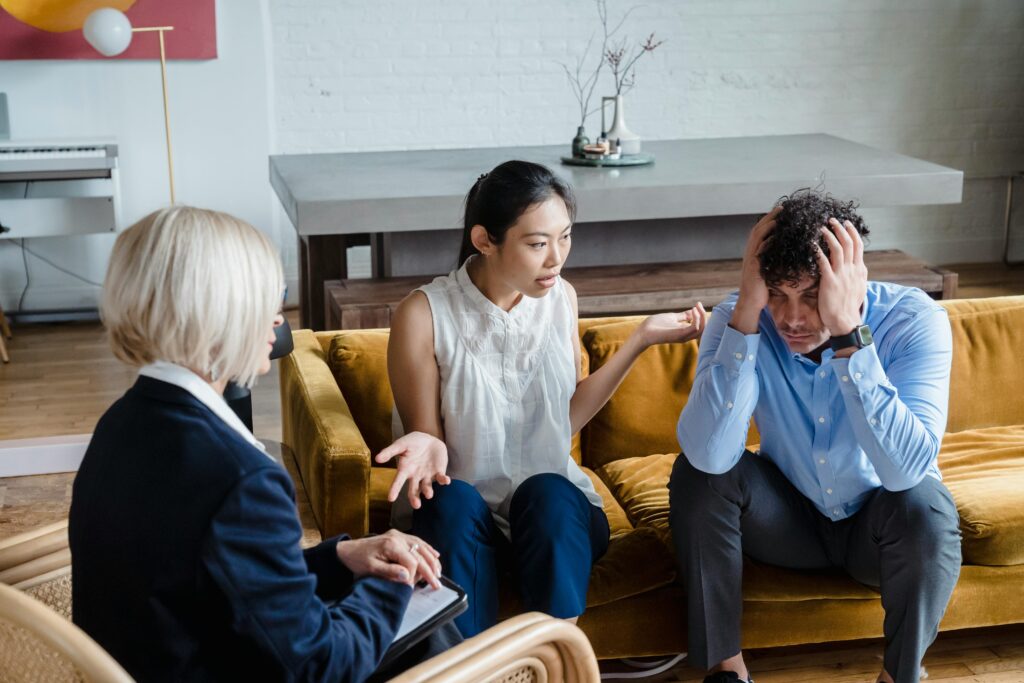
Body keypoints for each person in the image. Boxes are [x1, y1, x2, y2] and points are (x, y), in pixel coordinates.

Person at [69, 206, 456, 682]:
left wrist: (340, 559)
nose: (278, 320)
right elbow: (321, 667)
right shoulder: (242, 477)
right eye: (267, 303)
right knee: (435, 636)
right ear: (218, 317)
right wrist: (390, 581)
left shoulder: (122, 423)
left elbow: (220, 572)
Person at [379, 160, 708, 637]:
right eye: (537, 244)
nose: (556, 258)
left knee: (549, 489)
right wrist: (426, 442)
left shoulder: (561, 298)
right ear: (484, 240)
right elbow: (430, 452)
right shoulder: (424, 313)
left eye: (565, 237)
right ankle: (468, 667)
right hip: (467, 522)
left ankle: (556, 659)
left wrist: (639, 339)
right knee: (450, 500)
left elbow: (564, 418)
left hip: (553, 521)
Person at [669, 191, 962, 683]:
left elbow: (906, 469)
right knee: (697, 476)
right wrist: (746, 314)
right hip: (789, 522)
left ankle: (900, 676)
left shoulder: (914, 321)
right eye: (778, 294)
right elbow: (708, 454)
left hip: (880, 529)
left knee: (926, 507)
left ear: (850, 282)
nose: (792, 319)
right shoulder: (739, 318)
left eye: (810, 295)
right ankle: (726, 670)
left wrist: (849, 332)